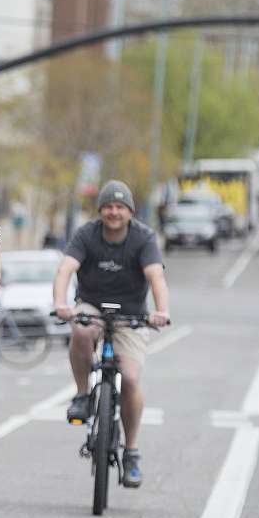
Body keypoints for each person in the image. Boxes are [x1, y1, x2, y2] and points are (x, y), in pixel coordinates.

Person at [51, 180, 170, 489]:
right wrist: (61, 304)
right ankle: (81, 395)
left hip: (131, 311)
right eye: (108, 206)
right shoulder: (87, 234)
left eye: (120, 207)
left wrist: (161, 310)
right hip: (92, 304)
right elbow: (65, 269)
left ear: (130, 211)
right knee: (81, 329)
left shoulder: (143, 237)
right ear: (100, 210)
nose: (114, 212)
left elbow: (155, 275)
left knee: (130, 379)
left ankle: (131, 452)